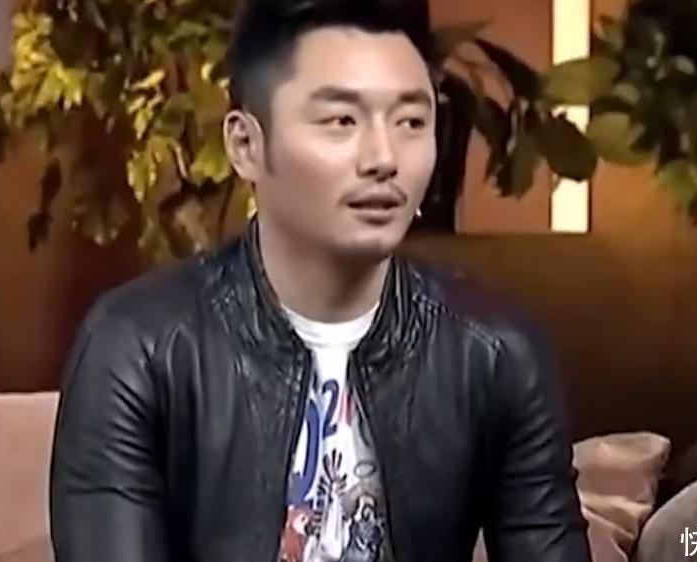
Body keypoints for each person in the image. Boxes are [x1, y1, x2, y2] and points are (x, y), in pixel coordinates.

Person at [48, 0, 591, 560]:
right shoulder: (137, 348)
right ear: (246, 146)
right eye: (341, 121)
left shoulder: (495, 353)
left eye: (411, 122)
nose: (384, 158)